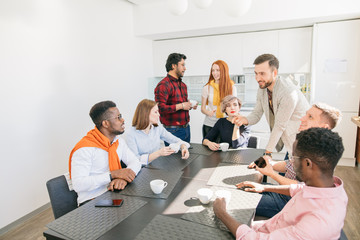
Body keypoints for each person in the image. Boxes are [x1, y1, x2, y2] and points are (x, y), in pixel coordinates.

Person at [213, 128, 347, 240]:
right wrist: (264, 187)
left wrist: (221, 213)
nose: (291, 162)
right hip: (267, 227)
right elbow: (299, 188)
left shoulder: (316, 224)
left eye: (294, 157)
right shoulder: (329, 188)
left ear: (307, 163)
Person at [250, 103, 342, 218]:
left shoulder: (319, 154)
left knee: (241, 196)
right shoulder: (306, 143)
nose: (302, 119)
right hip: (283, 193)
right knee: (247, 187)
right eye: (306, 115)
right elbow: (290, 165)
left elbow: (302, 187)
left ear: (324, 127)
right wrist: (269, 164)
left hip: (290, 201)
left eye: (310, 117)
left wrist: (271, 174)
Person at [232, 54, 309, 157]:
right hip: (290, 141)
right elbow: (256, 113)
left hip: (304, 143)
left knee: (295, 171)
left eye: (262, 74)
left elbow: (279, 125)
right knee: (287, 171)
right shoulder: (262, 89)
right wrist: (244, 119)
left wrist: (267, 153)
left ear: (274, 73)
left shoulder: (288, 93)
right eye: (256, 73)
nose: (258, 78)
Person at [69, 101, 142, 205]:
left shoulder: (118, 141)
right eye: (118, 117)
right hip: (92, 200)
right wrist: (112, 175)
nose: (123, 120)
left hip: (115, 192)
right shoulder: (84, 148)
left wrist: (124, 178)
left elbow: (135, 162)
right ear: (105, 123)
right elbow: (78, 184)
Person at [126, 99, 190, 165]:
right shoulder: (131, 134)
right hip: (141, 170)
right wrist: (158, 153)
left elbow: (176, 140)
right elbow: (136, 160)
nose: (159, 115)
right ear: (146, 114)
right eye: (156, 112)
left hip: (156, 166)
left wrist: (183, 147)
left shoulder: (157, 128)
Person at [154, 53, 198, 144]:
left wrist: (189, 105)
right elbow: (160, 108)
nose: (185, 68)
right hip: (172, 131)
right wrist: (182, 105)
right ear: (174, 66)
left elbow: (181, 105)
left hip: (186, 129)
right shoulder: (163, 85)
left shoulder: (183, 85)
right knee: (173, 158)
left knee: (186, 157)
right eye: (182, 65)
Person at [201, 60, 237, 138]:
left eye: (218, 70)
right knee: (207, 149)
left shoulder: (231, 88)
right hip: (209, 125)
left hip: (225, 125)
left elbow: (234, 108)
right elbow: (202, 108)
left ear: (224, 71)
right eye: (213, 70)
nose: (215, 73)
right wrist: (208, 112)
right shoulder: (206, 88)